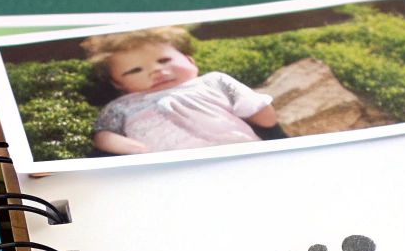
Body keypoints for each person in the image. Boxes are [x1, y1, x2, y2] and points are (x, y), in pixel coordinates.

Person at [82, 26, 286, 155]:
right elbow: (103, 135)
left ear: (190, 60)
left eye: (164, 60)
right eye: (135, 70)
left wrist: (264, 118)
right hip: (170, 168)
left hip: (236, 152)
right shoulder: (121, 106)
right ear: (118, 84)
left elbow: (261, 114)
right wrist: (134, 149)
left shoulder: (213, 81)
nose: (156, 71)